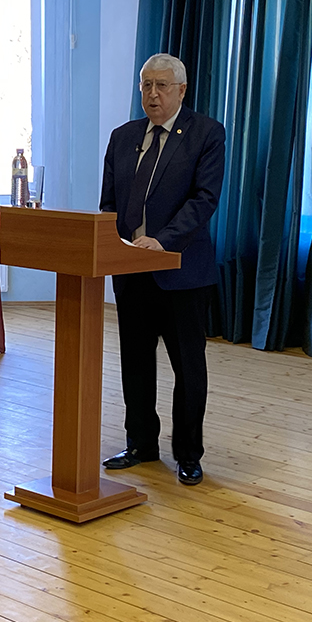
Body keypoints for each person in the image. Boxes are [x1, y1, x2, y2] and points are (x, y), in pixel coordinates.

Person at [99, 53, 225, 485]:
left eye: (162, 86)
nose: (153, 94)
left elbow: (204, 200)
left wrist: (163, 241)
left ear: (181, 90)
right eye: (146, 85)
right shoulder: (123, 137)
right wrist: (111, 246)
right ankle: (140, 444)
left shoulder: (206, 133)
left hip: (181, 272)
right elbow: (109, 204)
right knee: (135, 362)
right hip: (130, 271)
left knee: (188, 366)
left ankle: (188, 454)